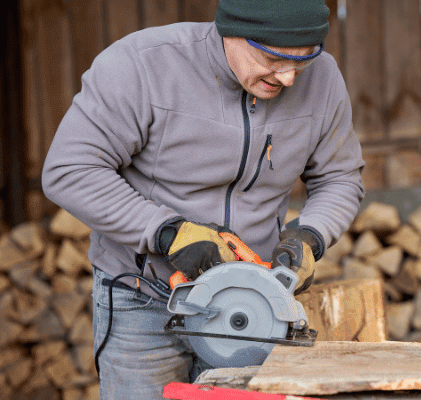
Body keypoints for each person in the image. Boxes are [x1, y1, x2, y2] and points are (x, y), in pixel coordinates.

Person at [41, 0, 365, 397]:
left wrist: (311, 236)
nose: (288, 78)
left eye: (302, 62)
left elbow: (340, 177)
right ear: (231, 30)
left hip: (253, 308)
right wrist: (166, 232)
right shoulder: (141, 66)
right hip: (145, 301)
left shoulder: (323, 79)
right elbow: (70, 169)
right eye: (272, 59)